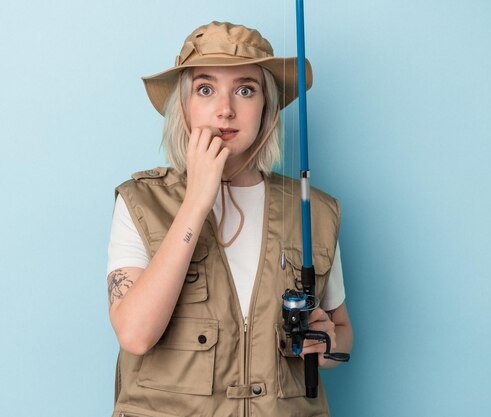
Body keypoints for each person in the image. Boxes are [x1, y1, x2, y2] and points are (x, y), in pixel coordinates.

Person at [106, 21, 352, 417]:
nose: (225, 109)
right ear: (184, 106)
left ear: (267, 107)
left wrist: (326, 342)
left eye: (245, 90)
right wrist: (196, 201)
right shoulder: (140, 201)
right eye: (205, 89)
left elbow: (341, 330)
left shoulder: (316, 210)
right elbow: (135, 334)